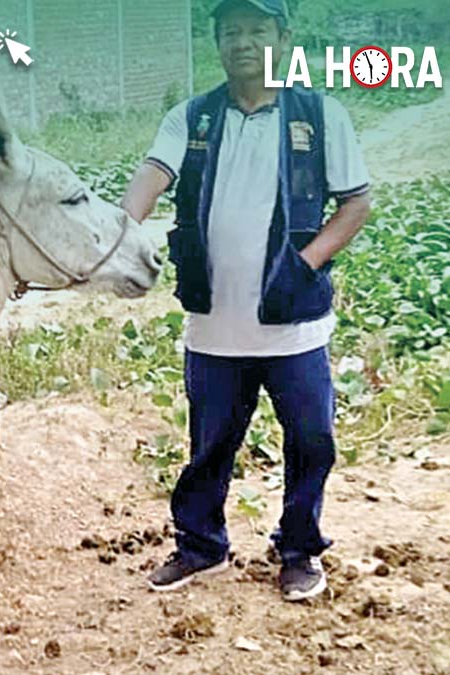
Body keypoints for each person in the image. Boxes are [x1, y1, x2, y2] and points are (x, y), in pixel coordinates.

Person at [121, 0, 372, 601]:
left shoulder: (319, 113)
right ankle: (201, 547)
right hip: (213, 328)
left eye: (257, 29)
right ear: (216, 42)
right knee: (209, 445)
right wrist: (117, 232)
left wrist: (305, 263)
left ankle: (299, 549)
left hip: (294, 327)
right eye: (229, 31)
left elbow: (355, 205)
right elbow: (151, 178)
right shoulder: (193, 116)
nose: (242, 42)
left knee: (311, 440)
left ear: (282, 38)